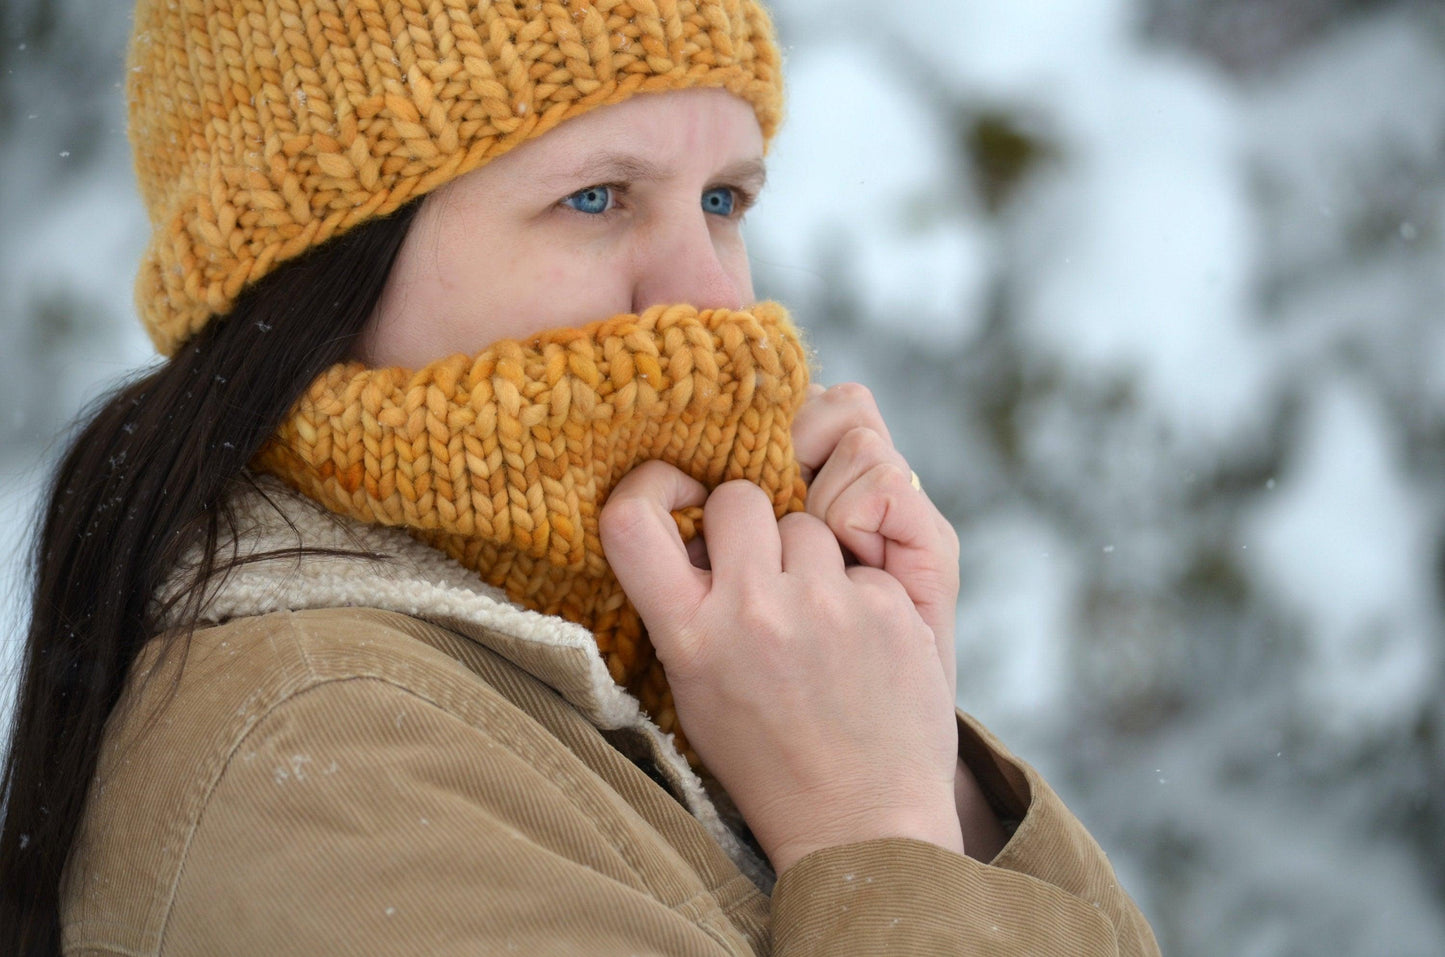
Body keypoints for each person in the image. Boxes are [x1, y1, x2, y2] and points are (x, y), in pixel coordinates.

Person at [0, 1, 1161, 954]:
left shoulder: (594, 684)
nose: (708, 296)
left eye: (723, 201)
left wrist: (910, 757)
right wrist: (874, 832)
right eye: (594, 197)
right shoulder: (326, 762)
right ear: (321, 274)